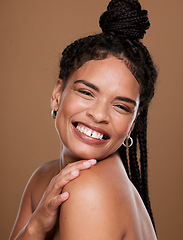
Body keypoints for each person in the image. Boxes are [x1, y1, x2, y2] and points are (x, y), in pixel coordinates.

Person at [9, 0, 158, 239]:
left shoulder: (90, 189)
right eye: (87, 92)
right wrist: (35, 227)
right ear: (57, 95)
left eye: (120, 106)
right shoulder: (43, 179)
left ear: (132, 124)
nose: (99, 115)